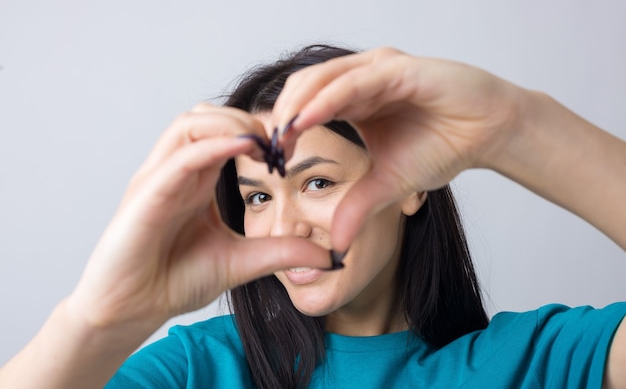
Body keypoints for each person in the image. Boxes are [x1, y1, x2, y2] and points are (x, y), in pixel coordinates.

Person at [0, 44, 624, 389]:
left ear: (412, 188)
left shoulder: (542, 361)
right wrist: (100, 319)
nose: (282, 229)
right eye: (258, 197)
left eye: (318, 182)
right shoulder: (198, 369)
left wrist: (514, 126)